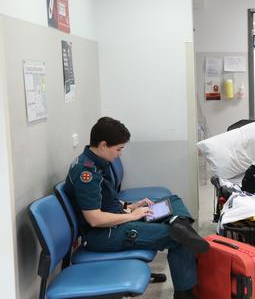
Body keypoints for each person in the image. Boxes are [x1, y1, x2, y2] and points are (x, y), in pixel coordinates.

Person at [63, 117, 207, 299]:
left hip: (117, 219)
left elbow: (105, 201)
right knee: (177, 238)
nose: (120, 154)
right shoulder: (87, 173)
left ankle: (179, 222)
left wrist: (131, 207)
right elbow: (95, 219)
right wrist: (132, 216)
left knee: (171, 200)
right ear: (103, 145)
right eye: (118, 149)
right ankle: (184, 294)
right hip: (104, 234)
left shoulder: (98, 162)